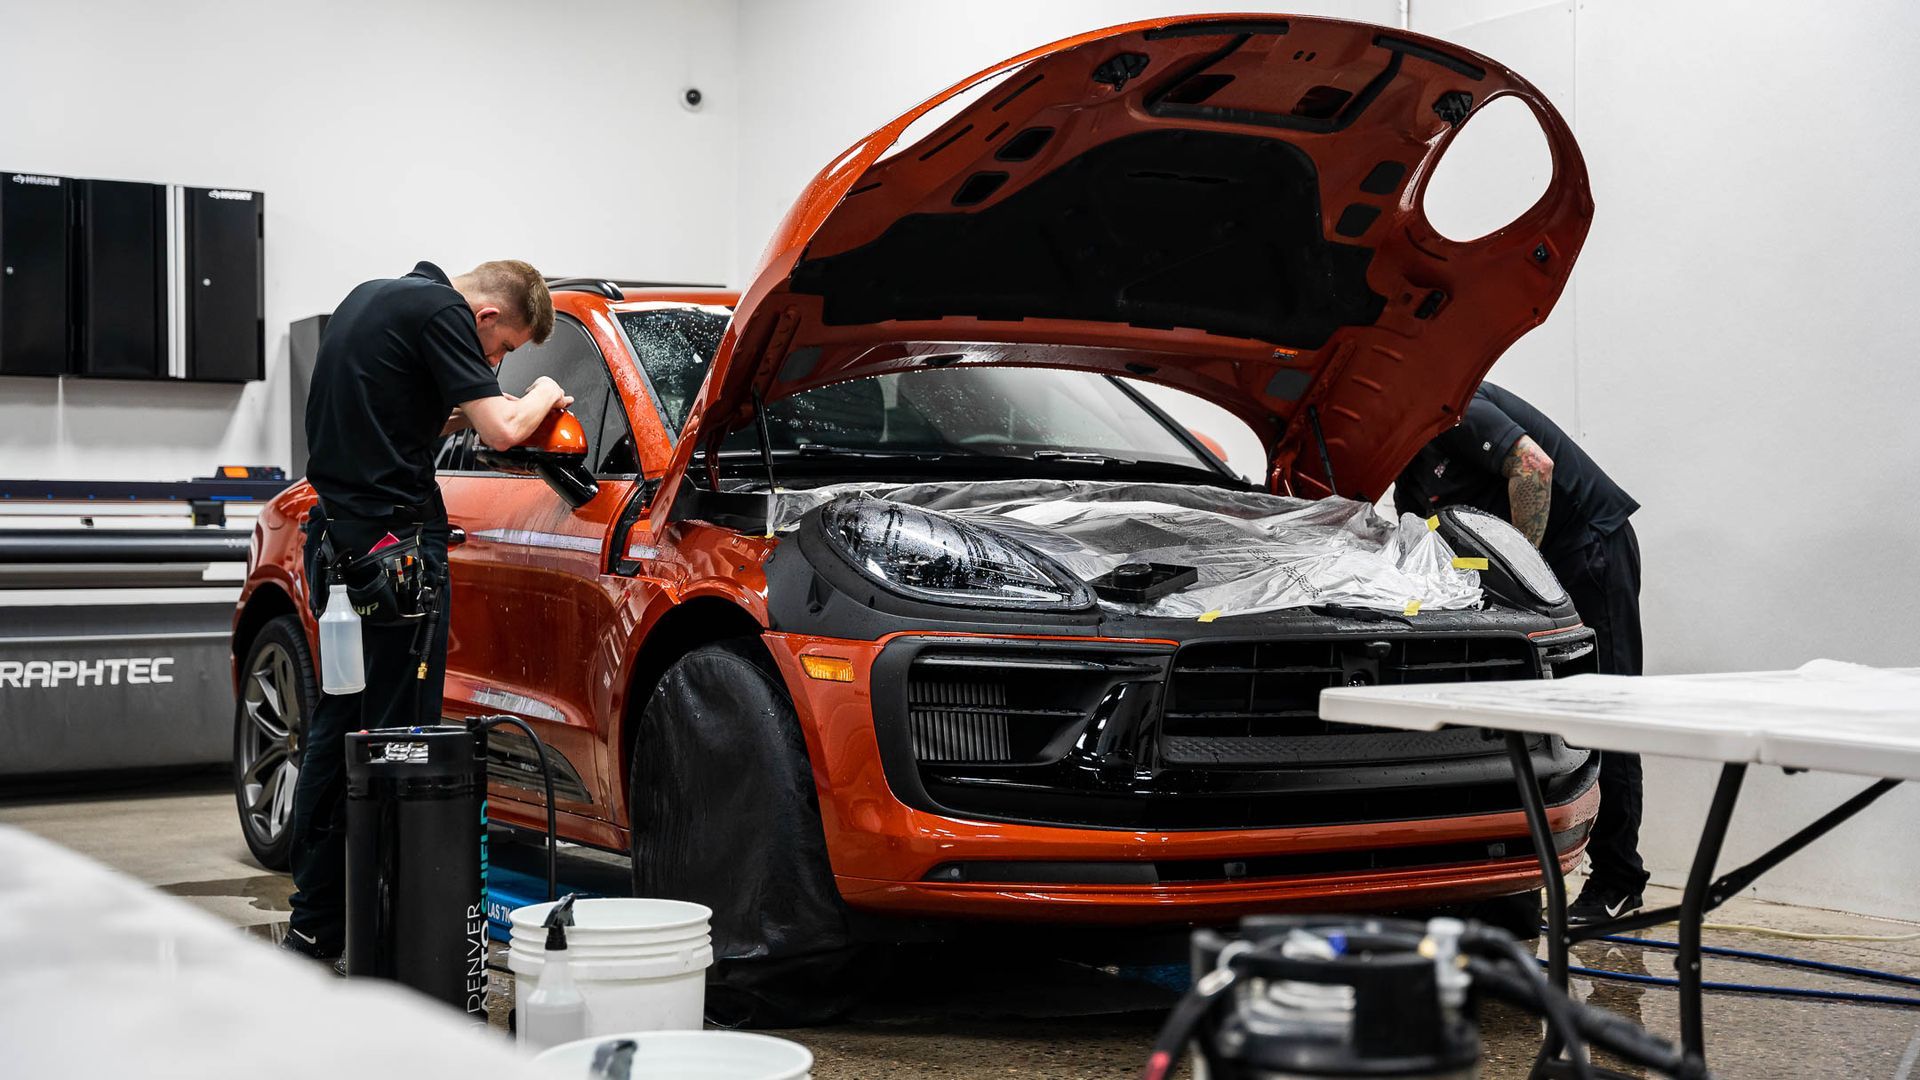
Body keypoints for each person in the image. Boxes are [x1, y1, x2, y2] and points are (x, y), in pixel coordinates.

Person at [282, 260, 570, 964]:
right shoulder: (446, 315)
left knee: (342, 727)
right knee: (395, 746)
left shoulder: (369, 297)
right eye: (503, 351)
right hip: (395, 552)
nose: (495, 362)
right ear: (488, 319)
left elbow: (391, 410)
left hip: (342, 541)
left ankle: (316, 921)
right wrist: (544, 390)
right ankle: (392, 937)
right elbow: (503, 430)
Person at [1394, 381, 1646, 924]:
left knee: (1602, 711)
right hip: (1524, 578)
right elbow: (1416, 544)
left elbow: (1533, 467)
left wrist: (1518, 575)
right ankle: (1507, 881)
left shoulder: (1449, 403)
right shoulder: (1407, 469)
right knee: (1523, 725)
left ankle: (1619, 882)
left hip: (1587, 550)